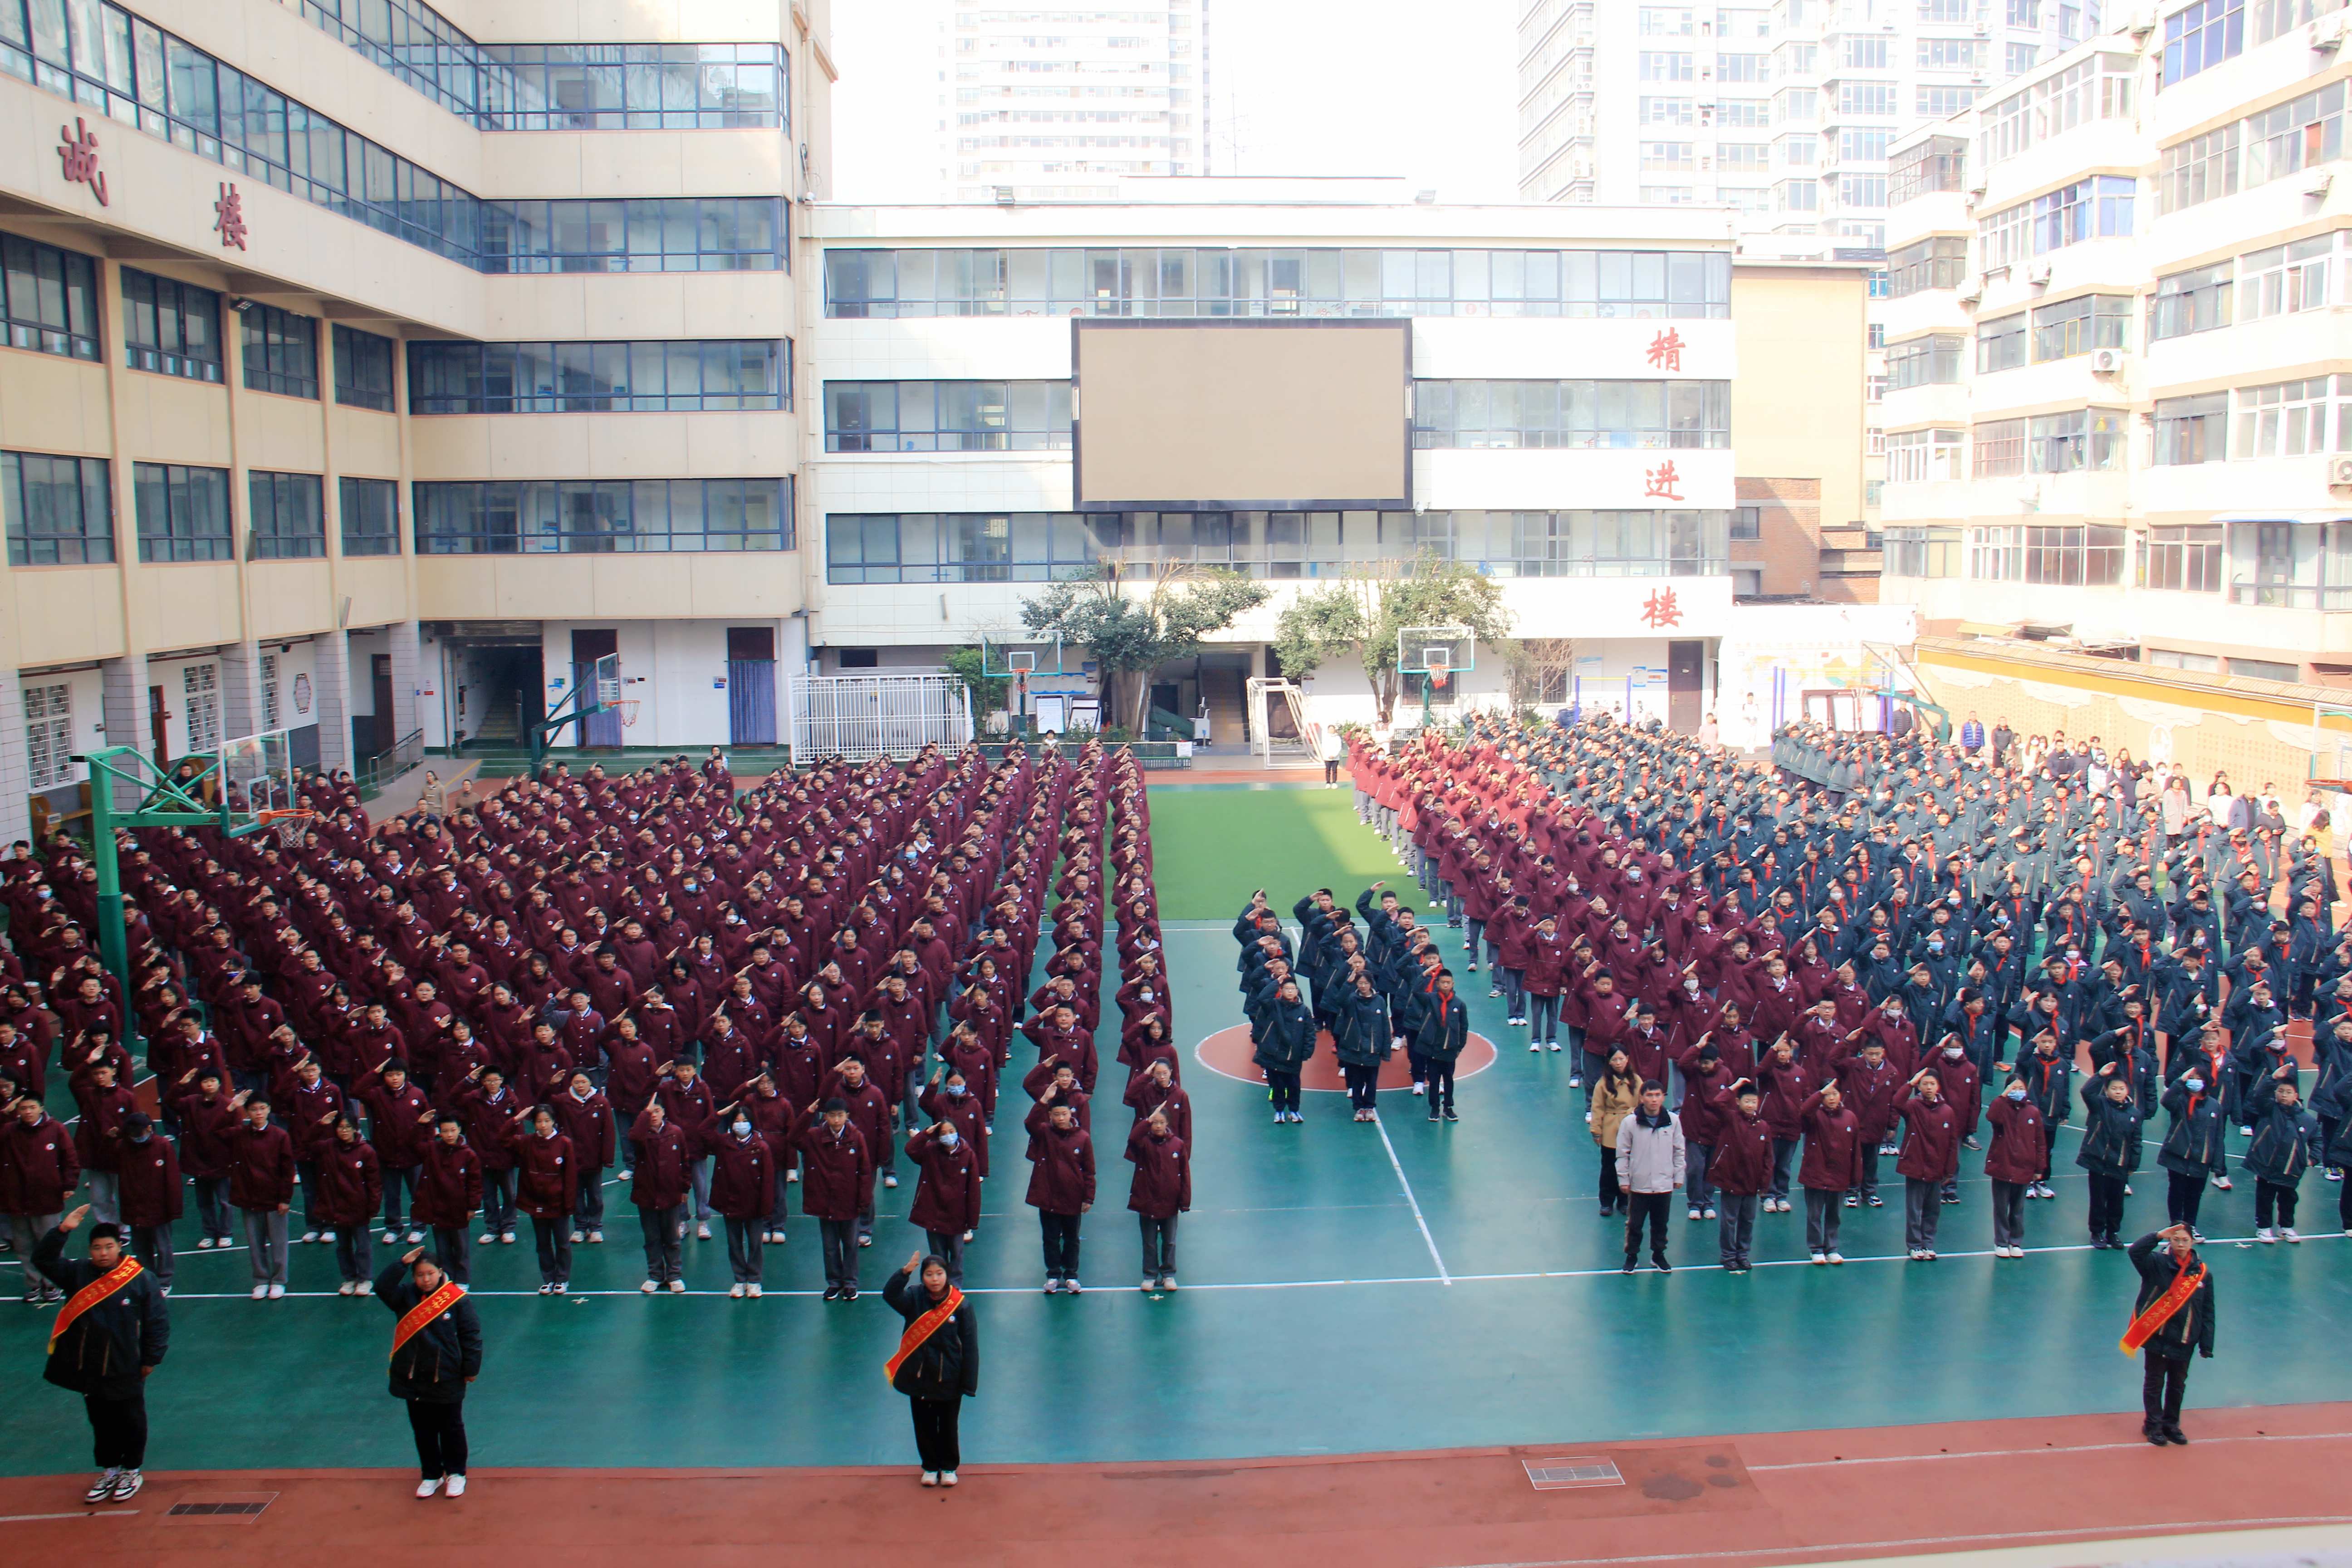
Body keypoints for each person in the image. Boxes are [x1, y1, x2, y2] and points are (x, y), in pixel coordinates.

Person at [34, 1205, 168, 1504]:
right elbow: (42, 1260)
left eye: (109, 1247)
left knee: (131, 1419)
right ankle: (110, 1470)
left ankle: (131, 1470)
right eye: (97, 1248)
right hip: (90, 1365)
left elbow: (157, 1322)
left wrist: (151, 1359)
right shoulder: (78, 1273)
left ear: (120, 1247)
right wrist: (62, 1230)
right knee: (101, 1420)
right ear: (90, 1250)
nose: (103, 1253)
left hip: (126, 1363)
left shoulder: (140, 1279)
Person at [374, 1244, 482, 1497]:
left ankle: (456, 1473)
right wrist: (402, 1263)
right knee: (423, 1430)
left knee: (451, 1428)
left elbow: (471, 1336)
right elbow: (381, 1287)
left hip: (447, 1376)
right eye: (420, 1275)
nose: (426, 1279)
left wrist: (471, 1369)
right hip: (413, 1377)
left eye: (430, 1274)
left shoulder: (456, 1299)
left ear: (440, 1272)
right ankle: (431, 1475)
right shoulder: (405, 1297)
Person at [882, 1251, 978, 1487]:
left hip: (949, 1379)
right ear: (922, 1277)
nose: (935, 1279)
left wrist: (968, 1383)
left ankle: (949, 1467)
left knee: (948, 1426)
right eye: (929, 1274)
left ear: (947, 1275)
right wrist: (904, 1273)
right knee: (923, 1425)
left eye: (939, 1274)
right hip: (919, 1377)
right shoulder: (914, 1299)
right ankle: (930, 1467)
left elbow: (970, 1346)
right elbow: (890, 1295)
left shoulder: (961, 1306)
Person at [2122, 1224, 2214, 1446]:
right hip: (2158, 1336)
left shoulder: (2202, 1274)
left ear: (2192, 1242)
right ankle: (2153, 1425)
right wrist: (2157, 1236)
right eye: (2176, 1240)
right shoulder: (2156, 1264)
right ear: (2170, 1242)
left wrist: (2206, 1344)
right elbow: (2135, 1252)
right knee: (2154, 1382)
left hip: (2185, 1339)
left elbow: (2208, 1310)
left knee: (2177, 1384)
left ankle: (2171, 1425)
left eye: (2185, 1240)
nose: (2181, 1245)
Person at [1026, 1094, 1095, 1293]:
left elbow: (1089, 1170)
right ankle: (1053, 1275)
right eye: (1056, 1114)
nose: (1061, 1118)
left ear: (1070, 1114)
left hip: (1073, 1198)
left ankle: (1071, 1275)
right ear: (1050, 1115)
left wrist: (1088, 1197)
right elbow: (1030, 1124)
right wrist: (1042, 1101)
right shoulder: (1044, 1132)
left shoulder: (1082, 1138)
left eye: (1064, 1114)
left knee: (1072, 1239)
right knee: (1051, 1238)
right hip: (1048, 1197)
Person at [1614, 1079, 1682, 1273]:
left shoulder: (1673, 1121)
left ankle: (1658, 1255)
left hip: (1664, 1184)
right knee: (1635, 1224)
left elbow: (1679, 1150)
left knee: (1661, 1224)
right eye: (1650, 1095)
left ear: (1663, 1097)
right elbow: (1623, 1153)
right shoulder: (1630, 1123)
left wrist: (1678, 1176)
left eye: (1658, 1095)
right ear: (1642, 1098)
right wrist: (1624, 1179)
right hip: (1639, 1184)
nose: (1654, 1100)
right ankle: (1632, 1256)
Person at [1125, 1107, 1190, 1291]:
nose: (1158, 1126)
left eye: (1161, 1122)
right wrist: (1146, 1122)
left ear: (1167, 1123)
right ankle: (1150, 1275)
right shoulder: (1143, 1143)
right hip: (1147, 1201)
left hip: (1170, 1202)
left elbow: (1185, 1174)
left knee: (1170, 1241)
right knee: (1149, 1242)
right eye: (1154, 1122)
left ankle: (1168, 1274)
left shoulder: (1178, 1145)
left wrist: (1185, 1201)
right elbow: (1132, 1139)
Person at [1589, 1047, 1640, 1217]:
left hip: (1631, 1129)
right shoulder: (1603, 1084)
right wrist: (1596, 1130)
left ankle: (1624, 1201)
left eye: (1621, 1059)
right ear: (1609, 1062)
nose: (1619, 1063)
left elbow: (1642, 1103)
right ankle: (1606, 1202)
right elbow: (1597, 1108)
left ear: (1628, 1059)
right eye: (1615, 1060)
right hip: (1611, 1130)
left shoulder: (1636, 1081)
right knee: (1609, 1168)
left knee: (1628, 1167)